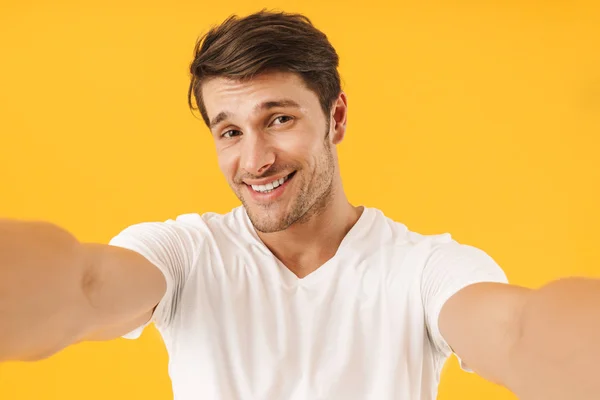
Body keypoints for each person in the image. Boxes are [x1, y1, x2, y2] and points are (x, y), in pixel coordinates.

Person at [0, 10, 598, 400]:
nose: (255, 159)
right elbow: (83, 285)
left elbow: (518, 332)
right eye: (229, 131)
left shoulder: (424, 269)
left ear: (335, 117)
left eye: (278, 119)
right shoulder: (183, 254)